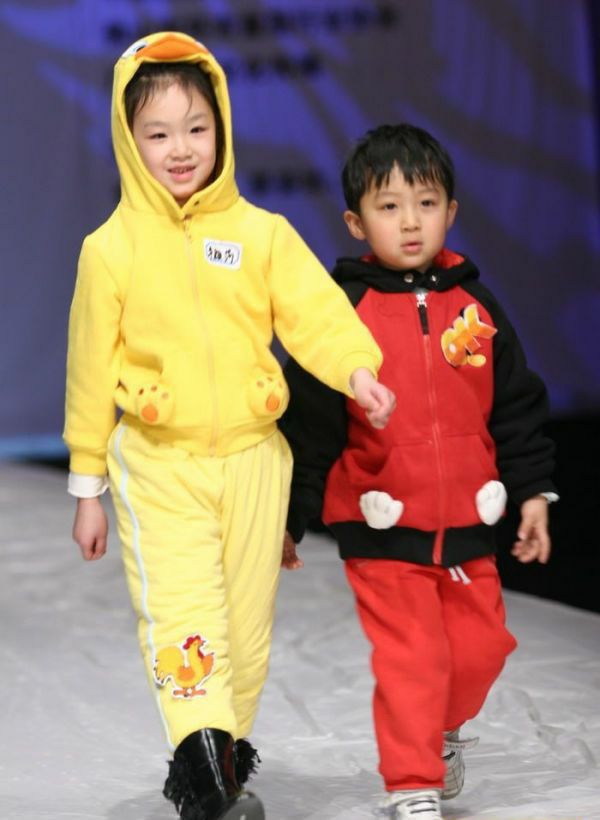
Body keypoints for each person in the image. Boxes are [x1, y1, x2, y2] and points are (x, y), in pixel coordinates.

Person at [64, 32, 396, 820]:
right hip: (159, 463)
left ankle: (219, 763)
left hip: (255, 462)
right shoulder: (109, 250)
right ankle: (209, 786)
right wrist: (87, 486)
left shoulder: (261, 234)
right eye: (158, 134)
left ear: (222, 128)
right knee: (186, 621)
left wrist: (358, 370)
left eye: (196, 128)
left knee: (244, 638)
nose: (180, 149)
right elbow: (88, 372)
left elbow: (316, 315)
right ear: (128, 140)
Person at [279, 123, 558, 820]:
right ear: (356, 221)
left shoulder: (476, 306)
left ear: (450, 211)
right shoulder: (342, 314)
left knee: (482, 650)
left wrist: (532, 493)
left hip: (469, 520)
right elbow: (309, 423)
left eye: (426, 203)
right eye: (389, 206)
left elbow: (515, 408)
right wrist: (290, 515)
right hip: (381, 524)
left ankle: (441, 732)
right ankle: (412, 785)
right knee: (412, 660)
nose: (410, 222)